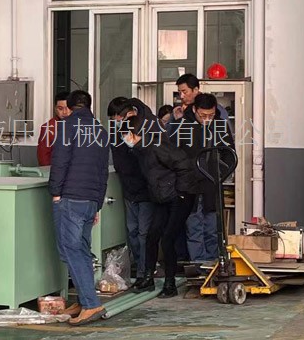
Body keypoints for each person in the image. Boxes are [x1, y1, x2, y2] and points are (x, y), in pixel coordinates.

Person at [49, 90, 109, 325]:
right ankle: (85, 300)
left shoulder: (67, 127)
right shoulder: (101, 131)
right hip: (90, 200)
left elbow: (59, 162)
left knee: (70, 250)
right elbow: (103, 171)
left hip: (71, 198)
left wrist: (55, 193)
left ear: (70, 107)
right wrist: (98, 203)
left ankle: (91, 305)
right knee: (81, 250)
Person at [120, 115, 197, 298]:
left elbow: (184, 165)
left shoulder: (157, 146)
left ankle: (170, 284)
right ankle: (148, 278)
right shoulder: (140, 150)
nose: (124, 138)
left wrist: (181, 191)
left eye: (125, 134)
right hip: (162, 198)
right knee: (151, 236)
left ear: (135, 133)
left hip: (179, 198)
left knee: (168, 239)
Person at [168, 93, 235, 262]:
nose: (207, 119)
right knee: (194, 229)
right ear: (194, 109)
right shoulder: (183, 126)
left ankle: (213, 264)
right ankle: (200, 266)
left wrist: (219, 174)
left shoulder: (220, 126)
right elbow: (172, 156)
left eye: (210, 115)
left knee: (213, 229)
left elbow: (230, 155)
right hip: (190, 186)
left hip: (212, 186)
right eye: (203, 115)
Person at [107, 97, 155, 289]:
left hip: (147, 190)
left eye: (118, 118)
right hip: (129, 189)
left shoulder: (147, 126)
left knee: (144, 233)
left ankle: (145, 272)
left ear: (129, 113)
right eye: (113, 119)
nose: (116, 122)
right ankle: (139, 267)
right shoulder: (116, 133)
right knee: (132, 231)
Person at [37, 91, 71, 166]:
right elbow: (43, 157)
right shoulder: (49, 128)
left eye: (68, 108)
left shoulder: (80, 125)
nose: (65, 112)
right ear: (55, 109)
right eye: (60, 109)